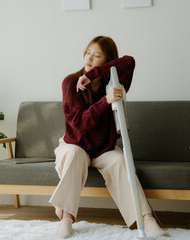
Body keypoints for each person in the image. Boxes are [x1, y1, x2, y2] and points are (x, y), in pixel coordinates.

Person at [49, 36, 169, 239]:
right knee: (75, 155)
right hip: (75, 144)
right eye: (87, 53)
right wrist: (106, 101)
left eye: (97, 56)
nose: (89, 58)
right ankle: (66, 219)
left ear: (107, 61)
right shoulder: (70, 82)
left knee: (120, 161)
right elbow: (79, 124)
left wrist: (95, 74)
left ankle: (146, 219)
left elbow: (129, 61)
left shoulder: (114, 83)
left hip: (103, 148)